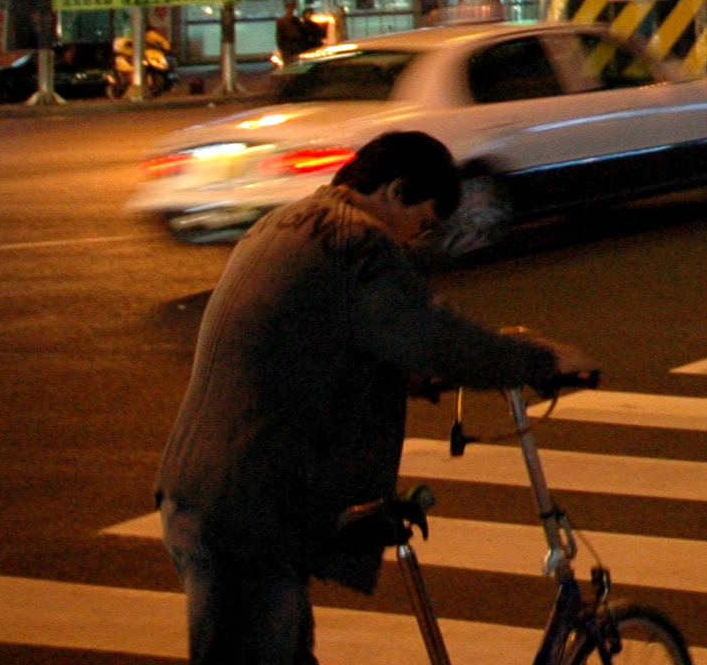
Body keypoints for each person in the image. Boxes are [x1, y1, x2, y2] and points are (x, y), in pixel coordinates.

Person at [155, 132, 593, 665]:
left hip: (222, 495)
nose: (416, 241)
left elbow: (321, 336)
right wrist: (536, 361)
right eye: (425, 222)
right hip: (250, 514)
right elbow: (433, 336)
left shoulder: (288, 221)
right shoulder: (359, 242)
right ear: (396, 191)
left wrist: (413, 379)